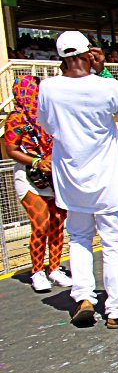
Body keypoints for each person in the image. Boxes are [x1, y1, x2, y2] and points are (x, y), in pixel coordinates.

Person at [37, 30, 118, 329]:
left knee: (79, 237)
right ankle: (117, 309)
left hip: (71, 175)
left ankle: (83, 297)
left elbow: (46, 125)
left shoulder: (48, 88)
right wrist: (105, 71)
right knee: (113, 242)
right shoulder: (105, 86)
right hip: (106, 176)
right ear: (89, 53)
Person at [3, 75, 71, 292]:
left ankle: (54, 268)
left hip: (53, 174)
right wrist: (36, 160)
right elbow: (11, 150)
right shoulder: (16, 119)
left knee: (58, 222)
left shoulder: (49, 116)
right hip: (29, 175)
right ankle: (37, 271)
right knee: (41, 223)